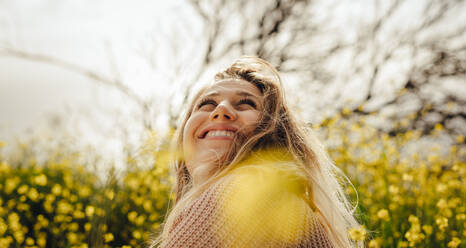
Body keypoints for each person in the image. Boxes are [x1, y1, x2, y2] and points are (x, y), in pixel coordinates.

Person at [150, 56, 363, 247]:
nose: (221, 109)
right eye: (206, 104)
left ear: (274, 134)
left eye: (245, 104)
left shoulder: (237, 194)